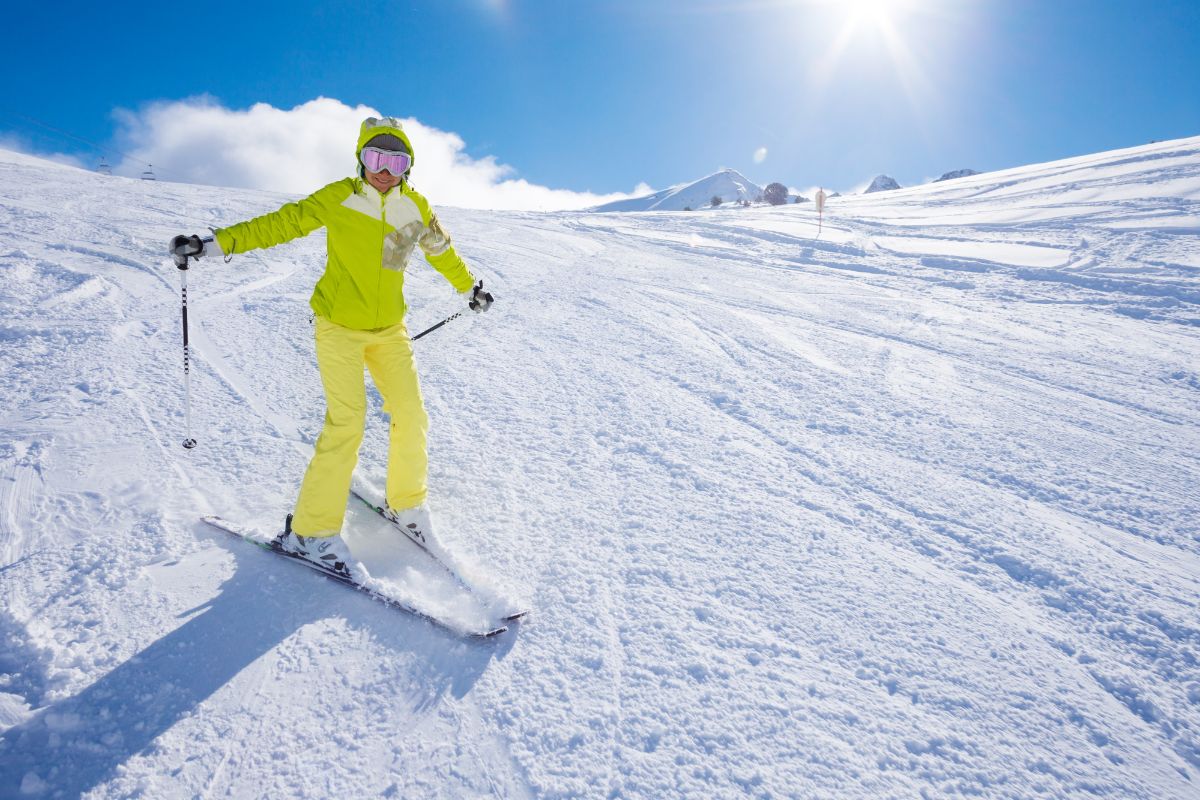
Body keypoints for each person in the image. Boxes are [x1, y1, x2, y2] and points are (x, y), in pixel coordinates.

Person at [170, 116, 493, 580]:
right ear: (361, 158)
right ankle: (310, 533)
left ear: (408, 166)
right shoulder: (339, 197)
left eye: (396, 160)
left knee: (411, 413)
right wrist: (213, 244)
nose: (384, 169)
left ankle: (407, 506)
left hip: (390, 331)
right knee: (348, 422)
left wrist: (470, 290)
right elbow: (280, 224)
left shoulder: (415, 207)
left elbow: (442, 250)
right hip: (338, 327)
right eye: (375, 157)